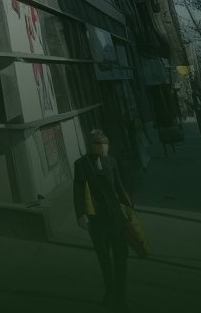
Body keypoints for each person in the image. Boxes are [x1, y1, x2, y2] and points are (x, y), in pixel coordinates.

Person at [73, 129, 133, 310]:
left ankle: (121, 297)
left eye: (105, 144)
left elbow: (120, 187)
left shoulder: (111, 162)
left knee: (121, 260)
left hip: (116, 219)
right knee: (105, 260)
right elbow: (78, 189)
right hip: (97, 220)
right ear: (92, 146)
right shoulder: (82, 164)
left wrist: (131, 211)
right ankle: (110, 292)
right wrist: (80, 214)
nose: (103, 148)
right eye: (99, 144)